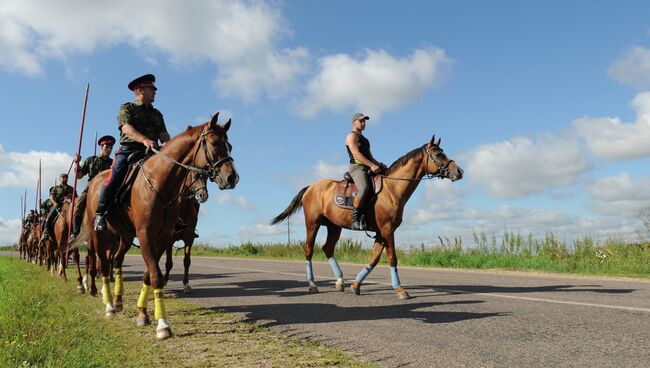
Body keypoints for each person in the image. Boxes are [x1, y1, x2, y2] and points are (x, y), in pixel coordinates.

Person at [94, 74, 170, 231]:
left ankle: (175, 217)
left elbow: (163, 135)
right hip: (129, 151)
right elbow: (126, 129)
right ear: (140, 90)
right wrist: (144, 140)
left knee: (172, 176)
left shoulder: (157, 114)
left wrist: (170, 148)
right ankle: (100, 213)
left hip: (152, 152)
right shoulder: (127, 108)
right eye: (152, 88)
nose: (155, 91)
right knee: (115, 175)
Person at [69, 135, 115, 242]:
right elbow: (80, 176)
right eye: (106, 146)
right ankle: (75, 233)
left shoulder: (113, 163)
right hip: (91, 187)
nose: (108, 149)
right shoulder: (91, 160)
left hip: (108, 187)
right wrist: (77, 164)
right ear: (101, 147)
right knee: (78, 206)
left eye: (110, 147)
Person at [345, 112, 383, 230]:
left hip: (368, 166)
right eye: (361, 121)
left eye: (364, 121)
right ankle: (355, 220)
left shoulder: (365, 139)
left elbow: (370, 157)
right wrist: (371, 165)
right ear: (354, 122)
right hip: (357, 168)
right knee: (364, 188)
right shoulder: (351, 136)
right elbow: (356, 154)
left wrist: (380, 165)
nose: (363, 123)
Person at [39, 174, 76, 244]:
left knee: (77, 216)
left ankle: (77, 232)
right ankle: (46, 233)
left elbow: (76, 197)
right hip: (58, 206)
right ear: (60, 179)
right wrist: (54, 203)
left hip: (69, 206)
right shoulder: (56, 188)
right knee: (49, 217)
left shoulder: (71, 189)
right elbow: (51, 197)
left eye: (66, 178)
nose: (65, 179)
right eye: (63, 177)